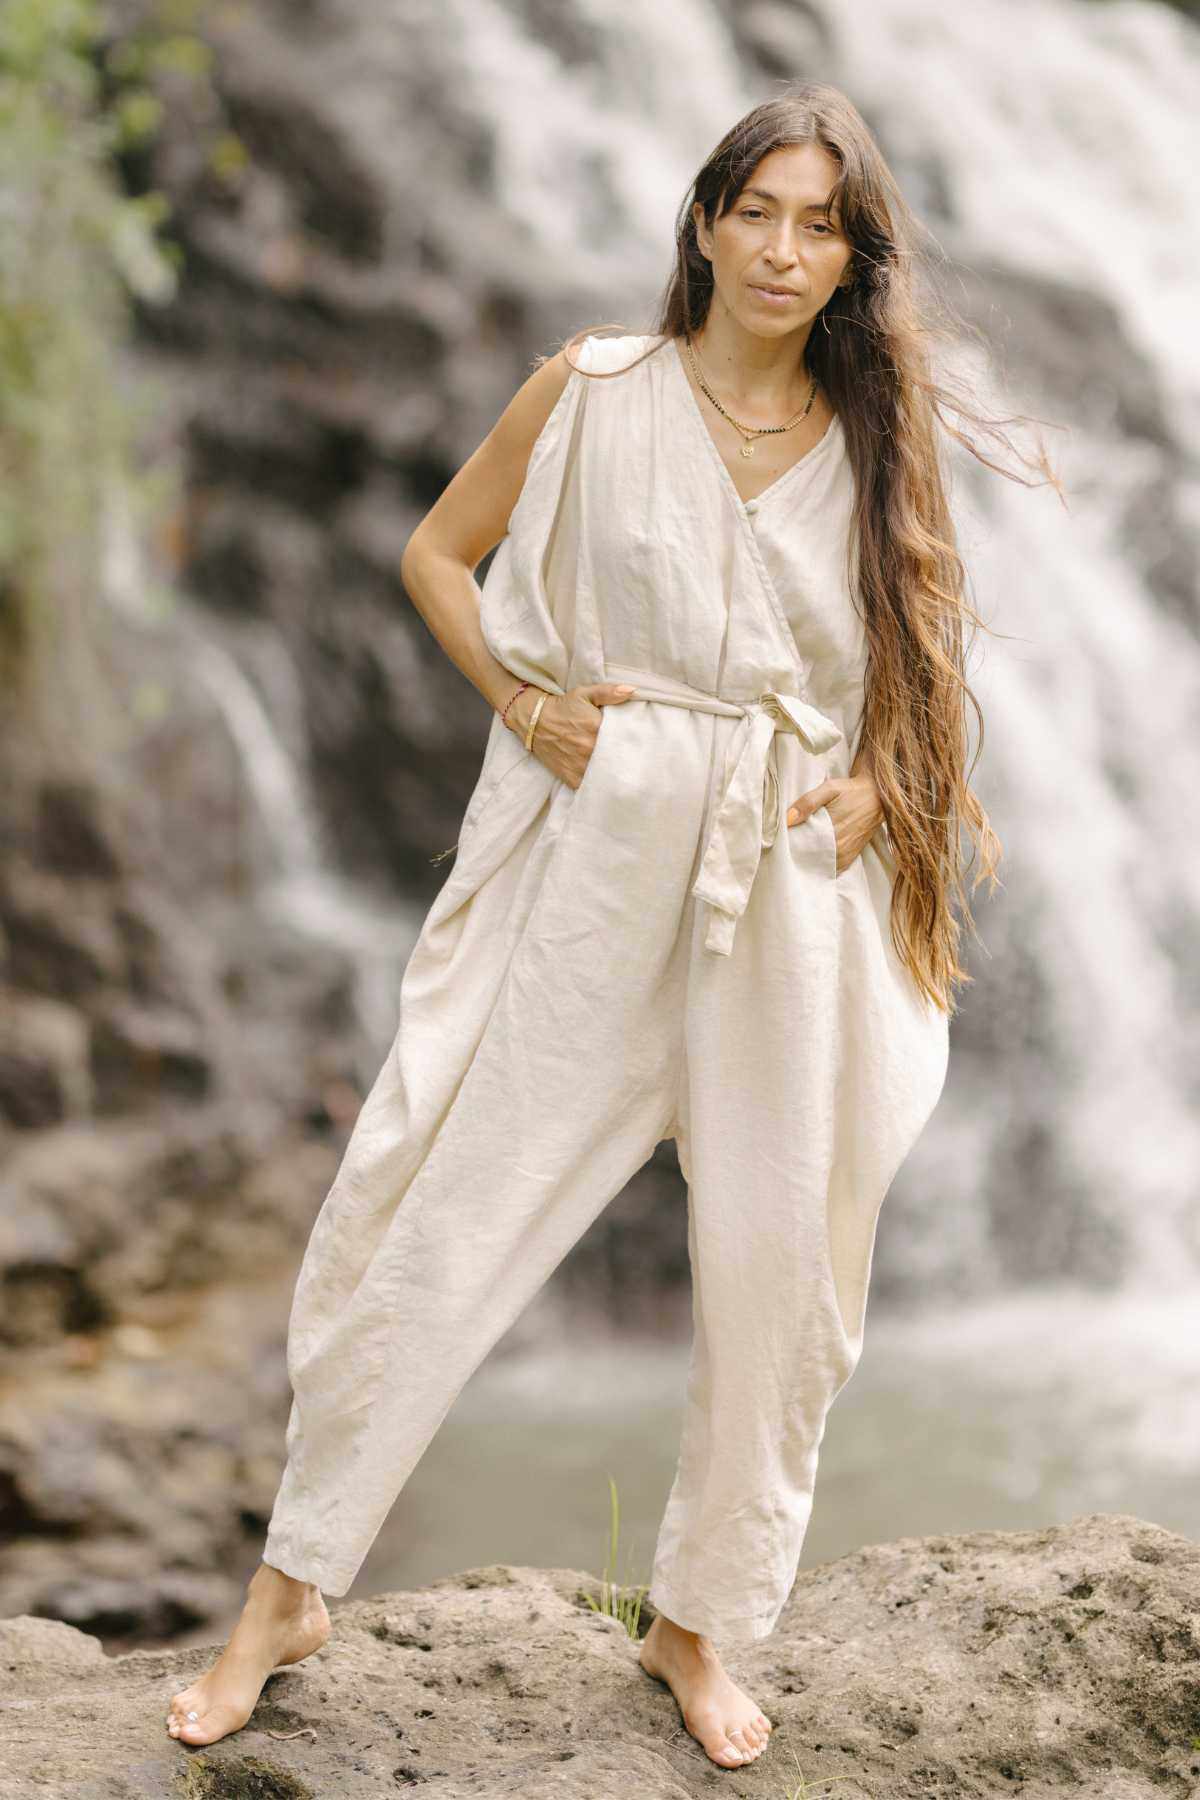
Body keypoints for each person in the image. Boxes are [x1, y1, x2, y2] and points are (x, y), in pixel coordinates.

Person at [167, 82, 1050, 1770]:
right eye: (760, 212)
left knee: (782, 1269)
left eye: (823, 225)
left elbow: (918, 643)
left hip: (793, 879)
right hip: (604, 847)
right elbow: (439, 555)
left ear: (855, 254)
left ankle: (695, 1629)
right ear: (706, 222)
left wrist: (877, 779)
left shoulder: (876, 429)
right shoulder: (589, 391)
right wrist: (520, 697)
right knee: (452, 1204)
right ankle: (289, 1591)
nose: (786, 250)